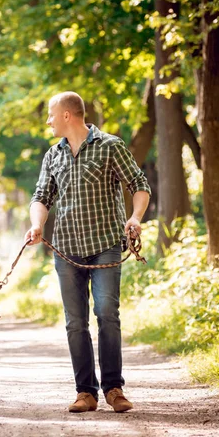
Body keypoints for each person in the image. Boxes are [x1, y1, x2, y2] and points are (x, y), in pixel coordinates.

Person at [25, 92, 151, 413]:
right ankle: (86, 392)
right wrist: (37, 225)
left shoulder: (110, 146)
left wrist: (134, 218)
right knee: (75, 322)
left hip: (105, 245)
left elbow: (139, 184)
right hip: (66, 250)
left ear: (67, 115)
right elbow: (41, 196)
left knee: (107, 313)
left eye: (51, 115)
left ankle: (114, 388)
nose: (49, 121)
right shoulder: (53, 155)